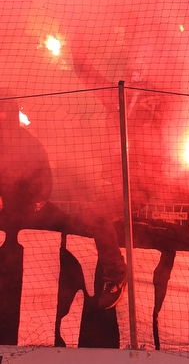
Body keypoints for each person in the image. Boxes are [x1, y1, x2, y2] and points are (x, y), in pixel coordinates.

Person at [0, 94, 127, 310]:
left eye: (4, 112)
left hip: (30, 210)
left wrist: (33, 200)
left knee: (84, 223)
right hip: (12, 211)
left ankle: (115, 273)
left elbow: (42, 181)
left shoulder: (27, 143)